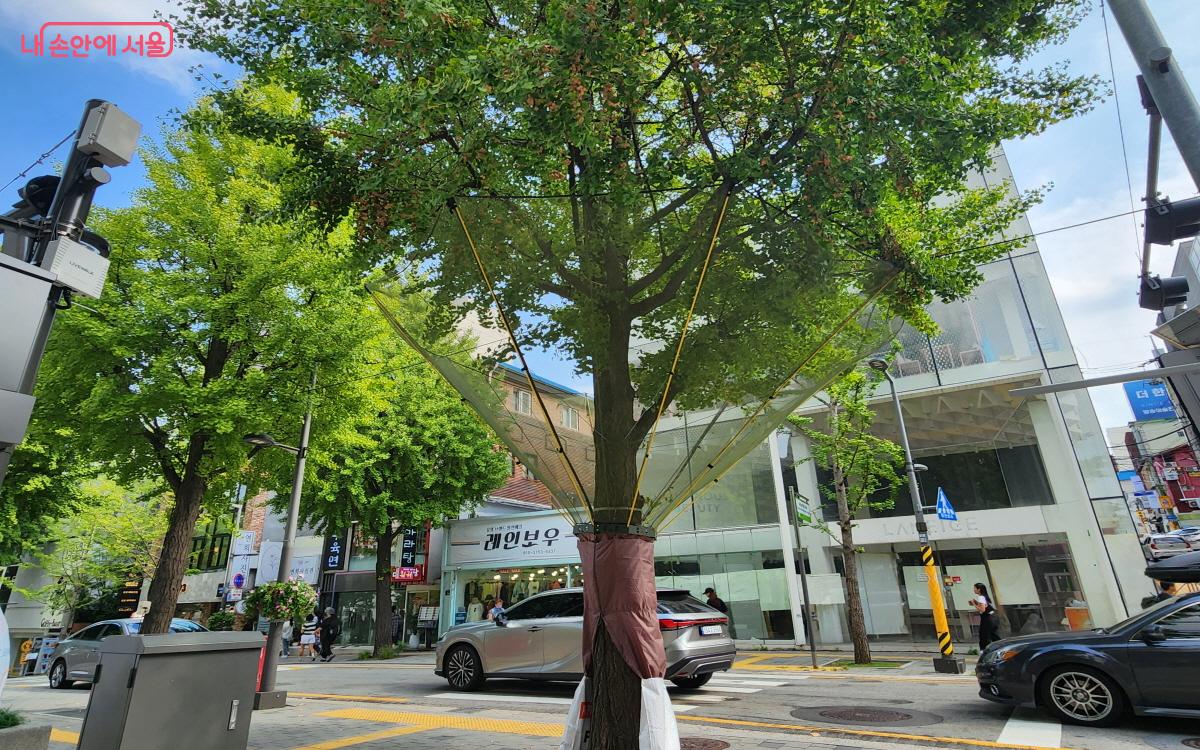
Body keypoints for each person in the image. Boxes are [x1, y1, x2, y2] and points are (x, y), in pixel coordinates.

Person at [973, 582, 1001, 650]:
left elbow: (982, 610)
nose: (974, 590)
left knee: (984, 636)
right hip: (992, 618)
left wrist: (974, 604)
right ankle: (1001, 648)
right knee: (993, 635)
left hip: (987, 619)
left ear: (979, 589)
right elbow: (985, 606)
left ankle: (984, 652)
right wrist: (976, 603)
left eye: (975, 588)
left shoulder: (981, 597)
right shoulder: (984, 596)